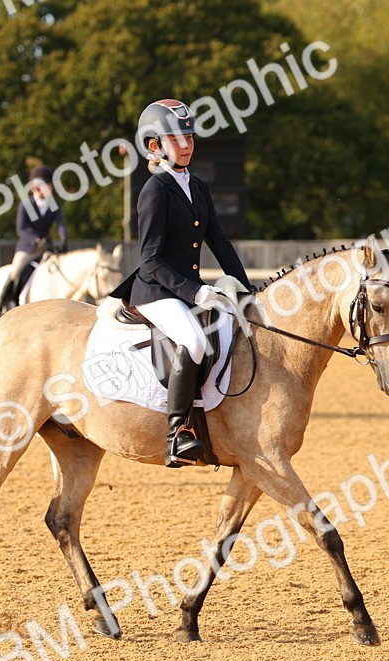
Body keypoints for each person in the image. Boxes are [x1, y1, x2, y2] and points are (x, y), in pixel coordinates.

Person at [110, 99, 253, 468]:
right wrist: (196, 291)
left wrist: (247, 289)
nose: (186, 144)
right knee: (193, 340)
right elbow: (151, 261)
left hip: (187, 287)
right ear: (154, 146)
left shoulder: (199, 187)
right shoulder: (155, 190)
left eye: (189, 136)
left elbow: (218, 242)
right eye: (176, 138)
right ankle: (178, 433)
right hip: (157, 290)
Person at [0, 165, 68, 319]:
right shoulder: (25, 205)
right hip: (27, 248)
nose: (38, 190)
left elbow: (60, 225)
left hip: (46, 247)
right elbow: (21, 229)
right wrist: (35, 239)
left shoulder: (54, 206)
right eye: (36, 187)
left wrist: (64, 240)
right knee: (16, 271)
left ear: (50, 187)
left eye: (42, 187)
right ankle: (4, 303)